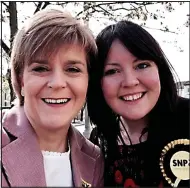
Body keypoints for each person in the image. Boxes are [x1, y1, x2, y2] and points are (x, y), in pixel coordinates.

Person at [1, 8, 104, 187]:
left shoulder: (96, 160)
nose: (57, 83)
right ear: (21, 80)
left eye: (73, 69)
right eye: (40, 68)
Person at [87, 20, 189, 187]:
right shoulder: (98, 142)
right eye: (112, 71)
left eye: (142, 65)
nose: (130, 82)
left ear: (159, 69)